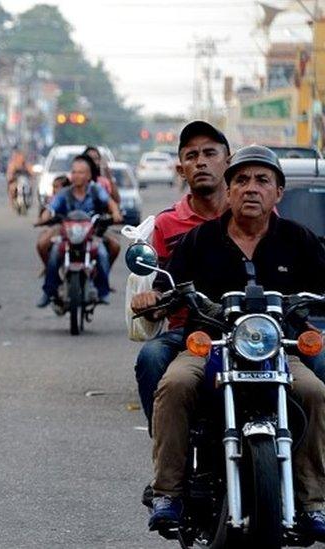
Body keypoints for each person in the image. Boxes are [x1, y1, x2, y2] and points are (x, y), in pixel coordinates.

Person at [141, 145, 325, 539]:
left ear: (278, 192)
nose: (251, 188)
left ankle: (312, 501)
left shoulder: (299, 240)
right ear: (228, 191)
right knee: (173, 385)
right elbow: (163, 289)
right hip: (210, 346)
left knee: (314, 391)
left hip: (279, 350)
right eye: (241, 180)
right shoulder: (199, 240)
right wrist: (152, 299)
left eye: (262, 180)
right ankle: (167, 493)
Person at [131, 121, 230, 425]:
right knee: (151, 357)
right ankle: (166, 447)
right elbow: (161, 288)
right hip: (189, 332)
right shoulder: (168, 223)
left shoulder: (252, 213)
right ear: (180, 169)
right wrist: (150, 302)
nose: (200, 162)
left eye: (210, 153)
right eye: (191, 156)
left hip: (252, 328)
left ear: (228, 161)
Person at [36, 155, 123, 308]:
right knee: (55, 252)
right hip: (67, 233)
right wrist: (45, 216)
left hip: (93, 232)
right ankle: (49, 290)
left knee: (102, 253)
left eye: (81, 172)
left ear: (89, 175)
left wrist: (115, 214)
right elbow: (51, 208)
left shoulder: (96, 190)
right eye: (74, 172)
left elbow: (111, 203)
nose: (76, 175)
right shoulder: (64, 193)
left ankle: (102, 289)